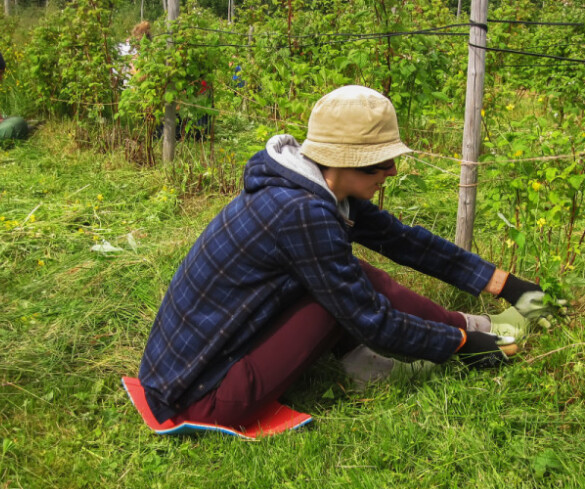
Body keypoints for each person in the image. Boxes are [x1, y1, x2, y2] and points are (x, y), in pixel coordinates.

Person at [137, 85, 561, 429]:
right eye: (380, 162)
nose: (391, 172)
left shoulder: (305, 185)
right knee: (339, 294)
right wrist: (463, 346)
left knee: (344, 276)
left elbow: (403, 241)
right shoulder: (302, 213)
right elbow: (370, 320)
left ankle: (452, 334)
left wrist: (506, 284)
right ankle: (467, 336)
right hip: (202, 397)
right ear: (344, 161)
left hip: (178, 374)